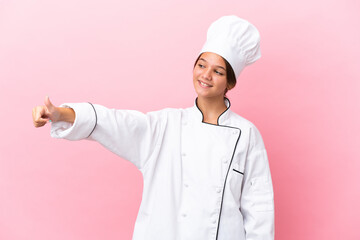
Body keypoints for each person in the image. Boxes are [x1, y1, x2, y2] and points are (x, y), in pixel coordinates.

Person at [32, 15, 274, 240]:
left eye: (218, 71)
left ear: (229, 82)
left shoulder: (247, 134)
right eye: (201, 65)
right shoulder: (165, 125)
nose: (206, 75)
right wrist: (60, 113)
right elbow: (113, 121)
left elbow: (259, 209)